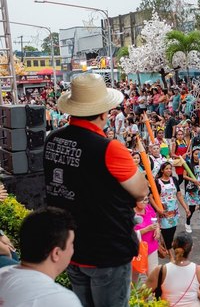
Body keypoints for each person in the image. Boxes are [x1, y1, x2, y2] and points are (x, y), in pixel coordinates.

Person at [43, 74, 148, 307]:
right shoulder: (109, 148)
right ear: (104, 112)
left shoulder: (53, 139)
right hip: (107, 251)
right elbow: (141, 190)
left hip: (70, 246)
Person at [0, 207, 82, 307]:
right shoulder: (61, 300)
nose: (73, 250)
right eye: (71, 243)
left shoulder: (3, 273)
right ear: (56, 253)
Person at [146, 232, 200, 307]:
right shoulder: (199, 271)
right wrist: (196, 292)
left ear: (173, 245)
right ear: (191, 249)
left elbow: (140, 295)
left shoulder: (161, 270)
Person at [151, 162, 190, 257]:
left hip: (174, 212)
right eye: (167, 169)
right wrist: (158, 210)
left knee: (172, 230)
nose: (169, 170)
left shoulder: (174, 180)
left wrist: (186, 208)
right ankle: (171, 254)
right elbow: (151, 197)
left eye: (170, 169)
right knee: (166, 231)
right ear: (162, 170)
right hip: (163, 212)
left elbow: (179, 195)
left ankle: (166, 245)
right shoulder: (157, 182)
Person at [183, 148, 200, 238]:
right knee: (192, 208)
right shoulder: (188, 164)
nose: (197, 156)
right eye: (195, 154)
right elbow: (184, 176)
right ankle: (187, 222)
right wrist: (193, 180)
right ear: (192, 155)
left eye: (199, 154)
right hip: (193, 189)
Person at [133, 196, 160, 280]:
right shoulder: (130, 214)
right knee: (133, 280)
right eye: (142, 200)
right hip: (136, 250)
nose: (145, 202)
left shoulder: (148, 207)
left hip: (151, 247)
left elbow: (155, 220)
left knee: (154, 276)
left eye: (146, 199)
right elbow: (129, 233)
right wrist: (147, 229)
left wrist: (158, 230)